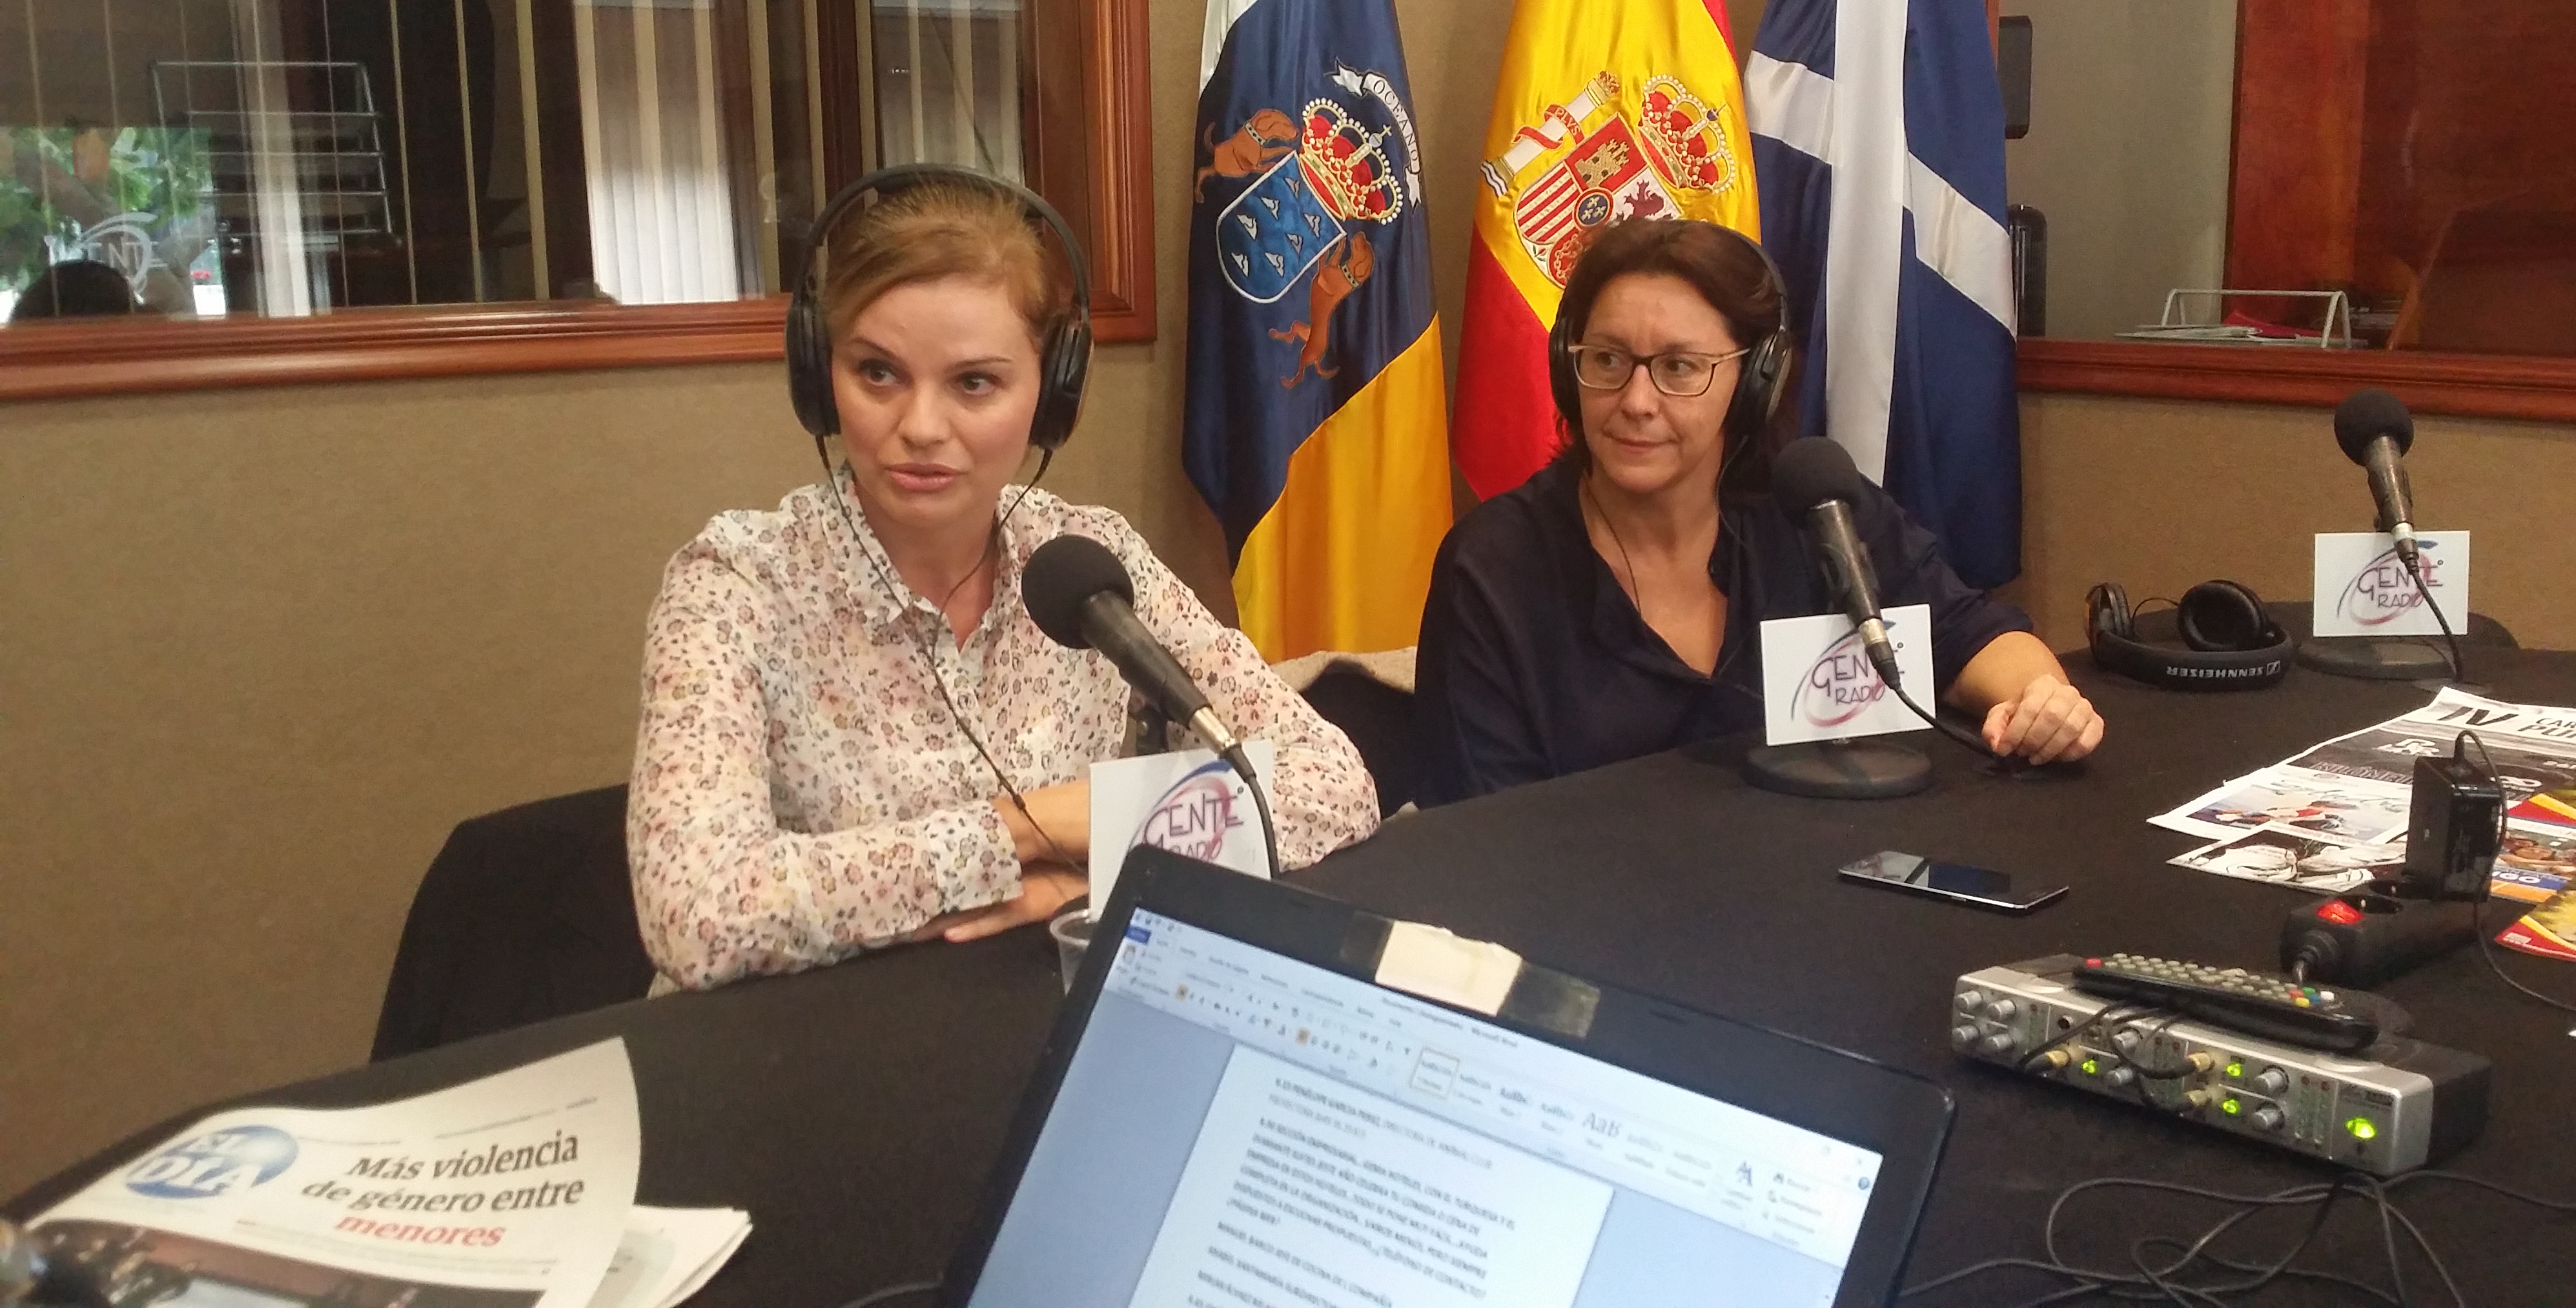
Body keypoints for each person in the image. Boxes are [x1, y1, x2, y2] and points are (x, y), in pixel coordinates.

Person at [628, 176, 1379, 989]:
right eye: (877, 372)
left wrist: (1086, 882)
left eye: (974, 383)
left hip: (1036, 1010)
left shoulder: (1091, 559)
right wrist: (1025, 830)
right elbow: (696, 915)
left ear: (1052, 396)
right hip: (810, 1036)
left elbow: (1333, 785)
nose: (920, 427)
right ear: (820, 376)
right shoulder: (735, 584)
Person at [1415, 218, 2103, 804]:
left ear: (1756, 382)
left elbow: (1972, 638)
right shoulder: (1498, 566)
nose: (1636, 401)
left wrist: (2040, 699)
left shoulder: (1814, 512)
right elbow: (1482, 831)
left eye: (1679, 368)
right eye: (1607, 360)